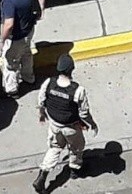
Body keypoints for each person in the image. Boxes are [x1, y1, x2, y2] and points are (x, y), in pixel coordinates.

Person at [32, 54, 98, 193]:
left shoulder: (49, 83)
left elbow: (41, 101)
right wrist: (92, 124)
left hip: (54, 125)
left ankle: (42, 176)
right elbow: (84, 113)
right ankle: (75, 169)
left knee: (54, 148)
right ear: (71, 69)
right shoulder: (78, 90)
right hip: (71, 127)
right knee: (76, 147)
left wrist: (42, 115)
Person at [0, 0, 45, 97]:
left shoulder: (8, 0)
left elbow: (8, 25)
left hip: (17, 37)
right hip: (29, 30)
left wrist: (1, 40)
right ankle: (29, 78)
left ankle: (12, 90)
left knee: (10, 61)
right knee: (26, 53)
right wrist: (41, 10)